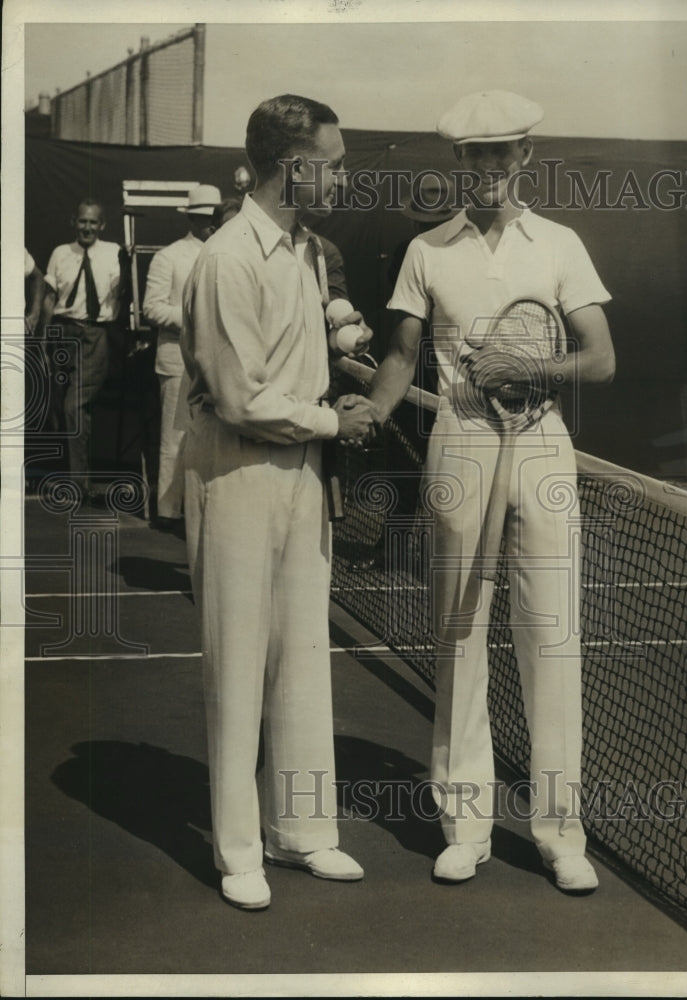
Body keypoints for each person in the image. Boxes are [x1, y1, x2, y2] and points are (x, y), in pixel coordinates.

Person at [366, 90, 615, 892]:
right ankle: (463, 826)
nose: (486, 168)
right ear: (459, 164)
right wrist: (366, 410)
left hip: (542, 447)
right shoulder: (426, 250)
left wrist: (532, 370)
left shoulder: (562, 244)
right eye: (473, 155)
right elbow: (400, 358)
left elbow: (600, 358)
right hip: (460, 446)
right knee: (456, 634)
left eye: (500, 153)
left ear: (524, 159)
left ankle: (558, 833)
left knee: (551, 635)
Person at [180, 93, 373, 910]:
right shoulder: (227, 258)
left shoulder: (305, 252)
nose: (341, 178)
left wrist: (347, 395)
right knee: (240, 661)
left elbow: (295, 370)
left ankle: (300, 833)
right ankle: (237, 850)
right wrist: (335, 419)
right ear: (294, 167)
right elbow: (237, 399)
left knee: (300, 655)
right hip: (237, 477)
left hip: (301, 473)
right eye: (332, 164)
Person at [142, 184, 221, 530]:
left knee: (210, 436)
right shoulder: (169, 256)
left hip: (217, 362)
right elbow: (152, 308)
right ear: (190, 217)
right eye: (203, 218)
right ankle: (169, 511)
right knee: (175, 436)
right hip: (177, 359)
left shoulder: (227, 253)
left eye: (213, 218)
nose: (209, 224)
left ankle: (199, 510)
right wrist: (194, 318)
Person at [40, 198, 127, 499]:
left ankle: (78, 484)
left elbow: (124, 294)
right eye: (82, 221)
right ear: (74, 222)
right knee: (66, 409)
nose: (87, 227)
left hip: (94, 335)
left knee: (74, 407)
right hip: (62, 333)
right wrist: (44, 338)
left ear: (101, 225)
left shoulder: (115, 252)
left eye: (93, 222)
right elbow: (50, 298)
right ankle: (79, 478)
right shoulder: (60, 253)